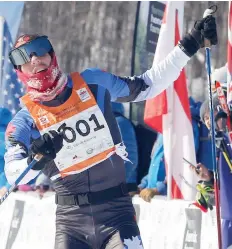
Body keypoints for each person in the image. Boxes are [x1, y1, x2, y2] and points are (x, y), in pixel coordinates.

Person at [4, 15, 217, 249]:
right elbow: (14, 174)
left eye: (39, 50)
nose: (34, 58)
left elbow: (147, 85)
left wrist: (189, 45)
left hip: (117, 214)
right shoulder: (24, 121)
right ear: (18, 69)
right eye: (24, 56)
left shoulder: (92, 83)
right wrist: (36, 158)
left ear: (52, 55)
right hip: (71, 224)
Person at [191, 95, 232, 249]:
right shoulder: (219, 142)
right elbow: (226, 182)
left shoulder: (227, 140)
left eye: (210, 115)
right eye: (205, 118)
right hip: (228, 216)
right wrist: (209, 177)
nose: (208, 121)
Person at [111, 102, 138, 195]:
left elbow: (129, 158)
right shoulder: (101, 122)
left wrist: (114, 185)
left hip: (122, 188)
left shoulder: (119, 122)